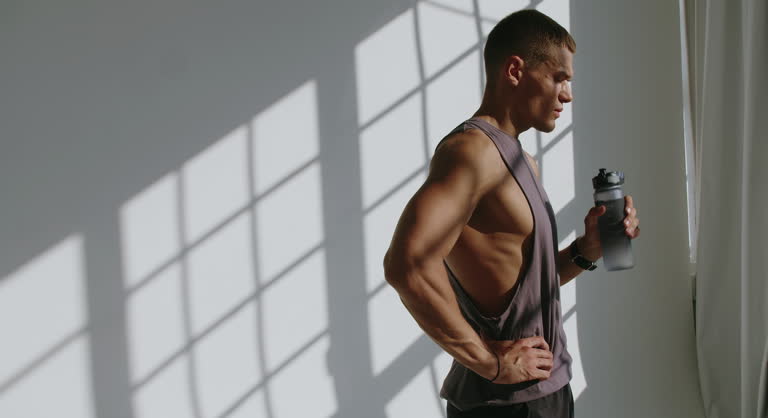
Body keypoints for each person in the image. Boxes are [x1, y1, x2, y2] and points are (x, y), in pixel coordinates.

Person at [382, 9, 640, 418]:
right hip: (505, 405)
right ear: (516, 70)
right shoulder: (472, 152)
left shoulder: (522, 161)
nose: (568, 94)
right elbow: (406, 265)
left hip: (545, 391)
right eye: (559, 78)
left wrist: (586, 250)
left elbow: (524, 290)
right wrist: (491, 363)